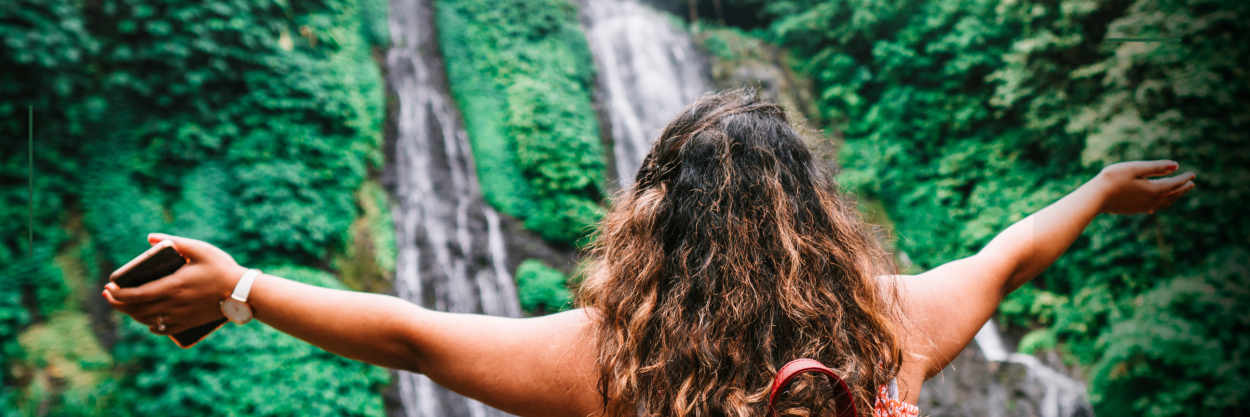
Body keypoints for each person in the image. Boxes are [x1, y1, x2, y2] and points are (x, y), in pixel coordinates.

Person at [103, 90, 1195, 417]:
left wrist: (240, 289)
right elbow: (1011, 254)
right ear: (815, 216)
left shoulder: (612, 362)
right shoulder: (889, 326)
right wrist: (1098, 189)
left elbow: (411, 336)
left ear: (651, 220)